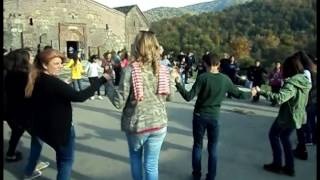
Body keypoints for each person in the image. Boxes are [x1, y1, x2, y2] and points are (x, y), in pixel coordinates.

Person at [104, 31, 179, 180]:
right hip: (159, 124)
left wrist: (108, 84)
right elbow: (171, 96)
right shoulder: (163, 70)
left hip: (137, 125)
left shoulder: (130, 70)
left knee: (136, 158)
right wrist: (172, 79)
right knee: (151, 164)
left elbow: (119, 102)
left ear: (137, 47)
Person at [24, 48, 107, 180]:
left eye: (61, 63)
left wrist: (63, 86)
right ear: (45, 65)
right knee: (65, 161)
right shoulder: (52, 82)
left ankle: (28, 172)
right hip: (60, 129)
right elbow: (79, 96)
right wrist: (102, 80)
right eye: (56, 64)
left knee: (59, 155)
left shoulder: (37, 77)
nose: (60, 66)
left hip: (43, 127)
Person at [174, 52, 255, 180]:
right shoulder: (225, 79)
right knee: (213, 148)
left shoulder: (203, 77)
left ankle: (196, 175)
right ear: (218, 64)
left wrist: (178, 83)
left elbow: (189, 97)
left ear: (206, 64)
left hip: (200, 116)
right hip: (214, 117)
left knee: (198, 145)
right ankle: (211, 176)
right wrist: (252, 92)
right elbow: (239, 94)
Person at [255, 52, 311, 176]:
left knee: (274, 135)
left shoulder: (292, 84)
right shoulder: (304, 80)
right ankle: (289, 167)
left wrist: (262, 92)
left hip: (287, 117)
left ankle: (277, 164)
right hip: (298, 115)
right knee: (285, 138)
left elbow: (280, 98)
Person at [3, 48, 50, 179]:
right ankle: (31, 168)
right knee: (38, 137)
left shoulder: (10, 73)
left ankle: (11, 154)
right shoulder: (23, 75)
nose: (31, 59)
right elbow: (32, 95)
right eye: (30, 57)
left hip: (10, 112)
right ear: (23, 60)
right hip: (23, 113)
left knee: (17, 131)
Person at [292, 51, 317, 160]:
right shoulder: (313, 70)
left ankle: (302, 149)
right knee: (303, 123)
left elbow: (306, 87)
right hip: (311, 100)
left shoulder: (307, 72)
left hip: (307, 100)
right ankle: (303, 147)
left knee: (301, 124)